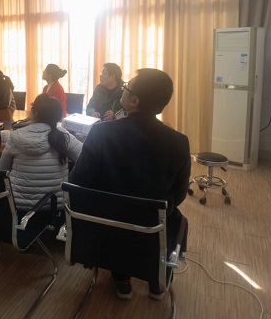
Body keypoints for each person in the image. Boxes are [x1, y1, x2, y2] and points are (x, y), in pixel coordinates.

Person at [69, 68, 191, 301]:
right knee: (168, 218)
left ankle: (122, 276)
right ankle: (157, 279)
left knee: (119, 222)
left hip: (106, 227)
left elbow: (78, 182)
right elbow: (178, 196)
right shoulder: (179, 142)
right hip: (153, 229)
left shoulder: (101, 133)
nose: (123, 90)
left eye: (126, 87)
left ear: (134, 101)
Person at [0, 94, 82, 212]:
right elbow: (86, 160)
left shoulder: (15, 136)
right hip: (55, 206)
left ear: (34, 113)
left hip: (19, 206)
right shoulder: (63, 136)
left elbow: (3, 168)